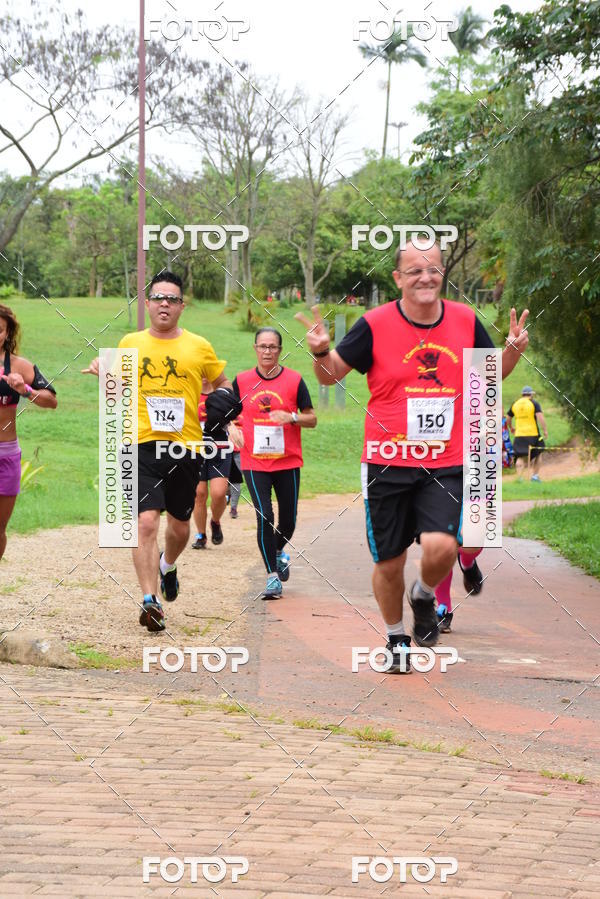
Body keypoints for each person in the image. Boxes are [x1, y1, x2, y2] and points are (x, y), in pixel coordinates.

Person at [298, 239, 529, 672]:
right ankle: (396, 638)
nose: (426, 277)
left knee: (443, 545)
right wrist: (318, 351)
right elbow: (330, 377)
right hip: (387, 458)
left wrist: (513, 348)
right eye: (415, 270)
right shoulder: (373, 324)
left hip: (446, 460)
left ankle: (424, 595)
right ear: (398, 278)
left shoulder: (464, 319)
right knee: (389, 562)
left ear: (443, 274)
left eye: (434, 269)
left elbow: (489, 372)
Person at [83, 272, 239, 632]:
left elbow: (222, 384)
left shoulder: (199, 346)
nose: (164, 303)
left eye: (172, 298)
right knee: (146, 521)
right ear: (148, 304)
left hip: (184, 446)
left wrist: (224, 407)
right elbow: (116, 389)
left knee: (180, 526)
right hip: (139, 443)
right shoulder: (130, 342)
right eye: (158, 298)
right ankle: (150, 600)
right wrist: (101, 372)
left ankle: (168, 565)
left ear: (182, 306)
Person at [230, 327, 317, 599]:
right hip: (254, 461)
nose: (267, 351)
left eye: (273, 347)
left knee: (288, 520)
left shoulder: (294, 380)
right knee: (265, 516)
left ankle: (278, 551)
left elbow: (311, 418)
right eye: (262, 346)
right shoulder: (242, 381)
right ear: (255, 348)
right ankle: (271, 577)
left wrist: (291, 417)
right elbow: (228, 414)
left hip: (287, 461)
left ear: (280, 350)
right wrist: (230, 427)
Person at [0, 305, 57, 561]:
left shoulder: (20, 366)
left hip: (6, 456)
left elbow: (51, 400)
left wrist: (25, 390)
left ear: (8, 332)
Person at [192, 378, 232, 548]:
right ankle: (201, 536)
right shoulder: (190, 391)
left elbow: (233, 417)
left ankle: (215, 522)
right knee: (199, 494)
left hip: (219, 448)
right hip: (195, 449)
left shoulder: (221, 393)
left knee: (218, 493)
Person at [507, 386, 548, 481]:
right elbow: (540, 417)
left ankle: (520, 478)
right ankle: (534, 476)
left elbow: (508, 417)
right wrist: (545, 430)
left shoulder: (515, 404)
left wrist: (511, 428)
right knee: (539, 453)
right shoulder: (534, 403)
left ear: (522, 394)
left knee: (520, 456)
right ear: (531, 394)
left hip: (519, 435)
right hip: (533, 434)